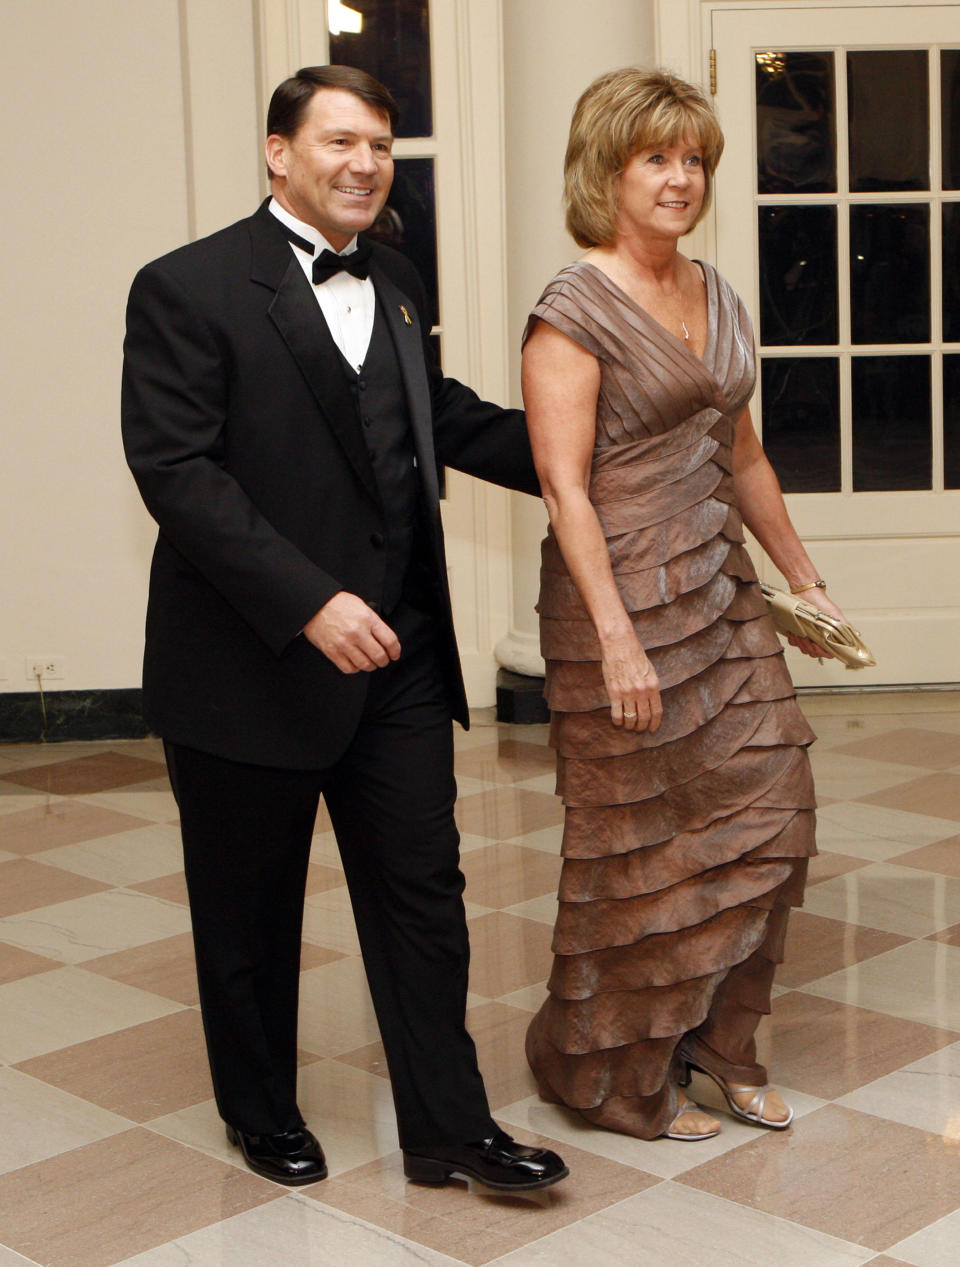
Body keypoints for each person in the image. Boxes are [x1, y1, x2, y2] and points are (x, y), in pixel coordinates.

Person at [121, 64, 567, 1193]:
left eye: (379, 143)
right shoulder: (186, 286)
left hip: (403, 660)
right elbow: (178, 472)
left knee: (427, 899)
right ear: (279, 153)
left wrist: (580, 453)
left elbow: (433, 414)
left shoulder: (401, 278)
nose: (366, 162)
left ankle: (449, 1128)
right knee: (250, 915)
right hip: (248, 662)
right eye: (340, 142)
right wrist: (309, 601)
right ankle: (261, 1112)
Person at [521, 67, 844, 1142]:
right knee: (642, 844)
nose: (679, 178)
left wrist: (804, 577)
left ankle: (726, 1043)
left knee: (773, 818)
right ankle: (612, 1070)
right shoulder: (571, 310)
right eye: (654, 157)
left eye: (693, 158)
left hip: (717, 586)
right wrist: (616, 643)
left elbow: (740, 449)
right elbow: (565, 487)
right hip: (618, 602)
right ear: (605, 171)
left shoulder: (717, 291)